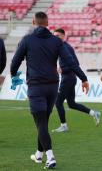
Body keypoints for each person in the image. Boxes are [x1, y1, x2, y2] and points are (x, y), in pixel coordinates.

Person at [10, 12, 89, 169]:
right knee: (43, 123)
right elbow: (71, 62)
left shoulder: (27, 40)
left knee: (41, 124)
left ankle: (50, 157)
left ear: (34, 22)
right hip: (53, 87)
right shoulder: (56, 41)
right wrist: (84, 78)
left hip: (36, 87)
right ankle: (39, 155)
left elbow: (15, 62)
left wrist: (13, 75)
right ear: (47, 23)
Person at [52, 28, 101, 133]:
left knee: (58, 102)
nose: (55, 38)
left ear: (63, 36)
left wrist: (62, 69)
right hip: (70, 78)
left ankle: (64, 125)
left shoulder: (65, 47)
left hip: (68, 78)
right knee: (71, 104)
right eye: (54, 36)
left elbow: (75, 64)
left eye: (57, 36)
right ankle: (94, 113)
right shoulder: (63, 47)